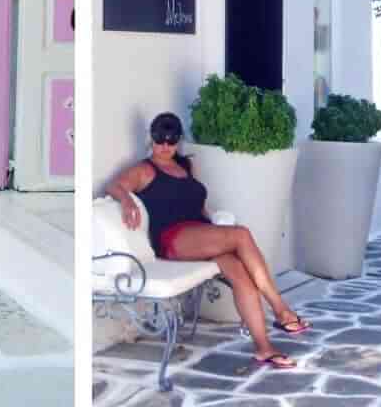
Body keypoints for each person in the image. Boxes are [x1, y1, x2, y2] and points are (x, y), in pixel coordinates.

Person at [107, 112, 309, 369]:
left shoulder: (186, 166)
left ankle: (264, 349)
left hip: (200, 233)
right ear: (152, 138)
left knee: (241, 276)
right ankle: (281, 310)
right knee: (241, 234)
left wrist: (214, 224)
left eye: (171, 140)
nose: (165, 145)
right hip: (173, 238)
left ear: (178, 140)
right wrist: (126, 201)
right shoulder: (145, 169)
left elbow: (197, 205)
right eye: (160, 139)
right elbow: (115, 186)